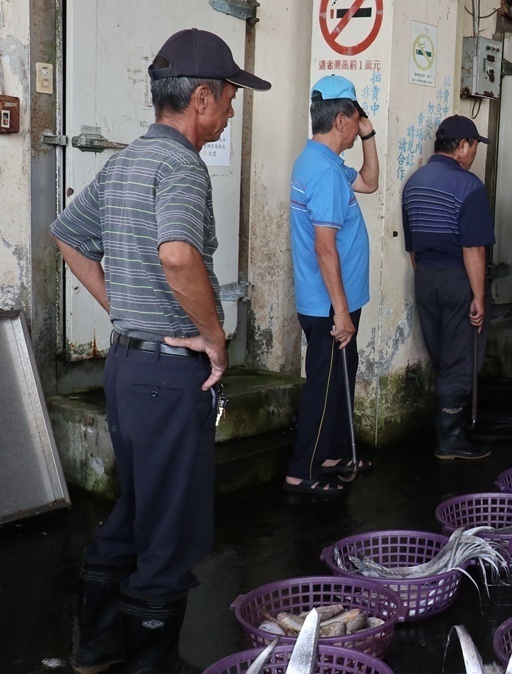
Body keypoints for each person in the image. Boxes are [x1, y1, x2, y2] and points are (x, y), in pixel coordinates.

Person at [50, 28, 270, 673]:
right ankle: (151, 664)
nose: (232, 109)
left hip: (126, 368)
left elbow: (68, 236)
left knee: (138, 508)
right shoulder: (179, 165)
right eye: (230, 96)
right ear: (202, 96)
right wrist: (214, 338)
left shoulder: (125, 161)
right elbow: (177, 253)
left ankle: (96, 649)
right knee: (171, 531)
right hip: (168, 379)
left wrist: (120, 307)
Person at [283, 75, 378, 496]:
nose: (359, 123)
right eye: (356, 116)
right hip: (328, 305)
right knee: (323, 384)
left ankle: (336, 453)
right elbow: (325, 248)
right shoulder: (323, 172)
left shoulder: (327, 163)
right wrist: (340, 311)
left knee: (342, 375)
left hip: (340, 299)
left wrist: (370, 134)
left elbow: (371, 181)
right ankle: (302, 471)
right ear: (342, 119)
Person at [402, 116, 496, 459]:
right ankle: (450, 441)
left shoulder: (415, 182)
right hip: (457, 277)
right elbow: (473, 247)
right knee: (460, 357)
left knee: (442, 353)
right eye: (473, 147)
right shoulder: (468, 186)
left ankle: (449, 432)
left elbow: (412, 246)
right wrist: (479, 296)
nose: (474, 154)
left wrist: (429, 276)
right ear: (462, 147)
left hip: (425, 275)